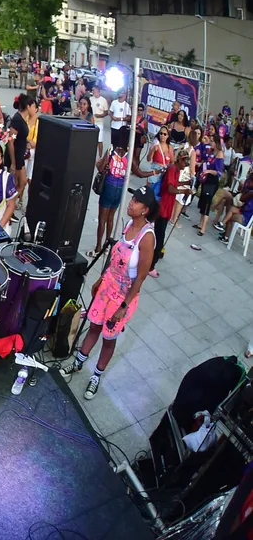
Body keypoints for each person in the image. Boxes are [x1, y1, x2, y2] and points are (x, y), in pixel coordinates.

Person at [61, 187, 158, 399]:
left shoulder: (147, 237)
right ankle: (78, 363)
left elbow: (140, 277)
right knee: (94, 325)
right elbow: (114, 259)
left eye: (136, 201)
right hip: (107, 286)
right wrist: (100, 279)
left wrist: (123, 307)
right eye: (132, 198)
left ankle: (96, 376)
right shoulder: (129, 225)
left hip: (123, 296)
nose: (131, 203)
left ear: (145, 210)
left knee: (108, 337)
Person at [151, 148, 192, 277]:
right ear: (180, 160)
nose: (186, 165)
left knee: (159, 234)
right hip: (163, 207)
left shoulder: (176, 170)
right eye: (185, 162)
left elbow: (174, 184)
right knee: (159, 235)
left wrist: (185, 183)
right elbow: (170, 188)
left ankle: (153, 258)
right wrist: (184, 191)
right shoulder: (172, 169)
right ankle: (151, 264)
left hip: (167, 207)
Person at [90, 140, 133, 259]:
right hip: (120, 189)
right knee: (111, 218)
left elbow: (100, 168)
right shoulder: (129, 155)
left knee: (102, 219)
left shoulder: (112, 151)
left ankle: (98, 247)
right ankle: (107, 244)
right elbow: (136, 171)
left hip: (109, 186)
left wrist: (101, 162)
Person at [9, 94, 37, 199]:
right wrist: (13, 162)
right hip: (15, 155)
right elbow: (11, 141)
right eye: (33, 106)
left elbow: (20, 136)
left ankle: (10, 205)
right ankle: (8, 207)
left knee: (23, 182)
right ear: (28, 107)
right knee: (14, 184)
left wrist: (27, 140)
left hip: (20, 155)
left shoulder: (23, 118)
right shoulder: (17, 119)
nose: (35, 109)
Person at [196, 137, 225, 236]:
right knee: (203, 200)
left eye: (212, 141)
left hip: (212, 181)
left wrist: (208, 171)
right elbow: (206, 162)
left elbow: (218, 171)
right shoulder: (211, 152)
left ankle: (203, 227)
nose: (210, 143)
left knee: (208, 202)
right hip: (206, 178)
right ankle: (200, 223)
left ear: (216, 143)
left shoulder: (219, 154)